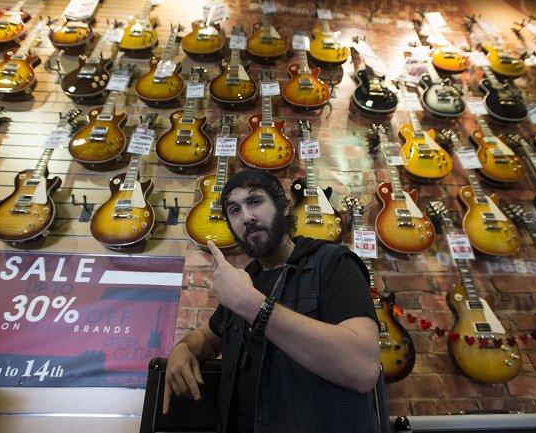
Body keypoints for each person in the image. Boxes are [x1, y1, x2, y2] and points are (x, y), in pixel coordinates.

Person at [163, 168, 383, 433]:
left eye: (255, 202)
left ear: (285, 207)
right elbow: (207, 338)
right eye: (234, 210)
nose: (246, 217)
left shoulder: (333, 263)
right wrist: (182, 350)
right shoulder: (245, 280)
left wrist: (252, 305)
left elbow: (362, 369)